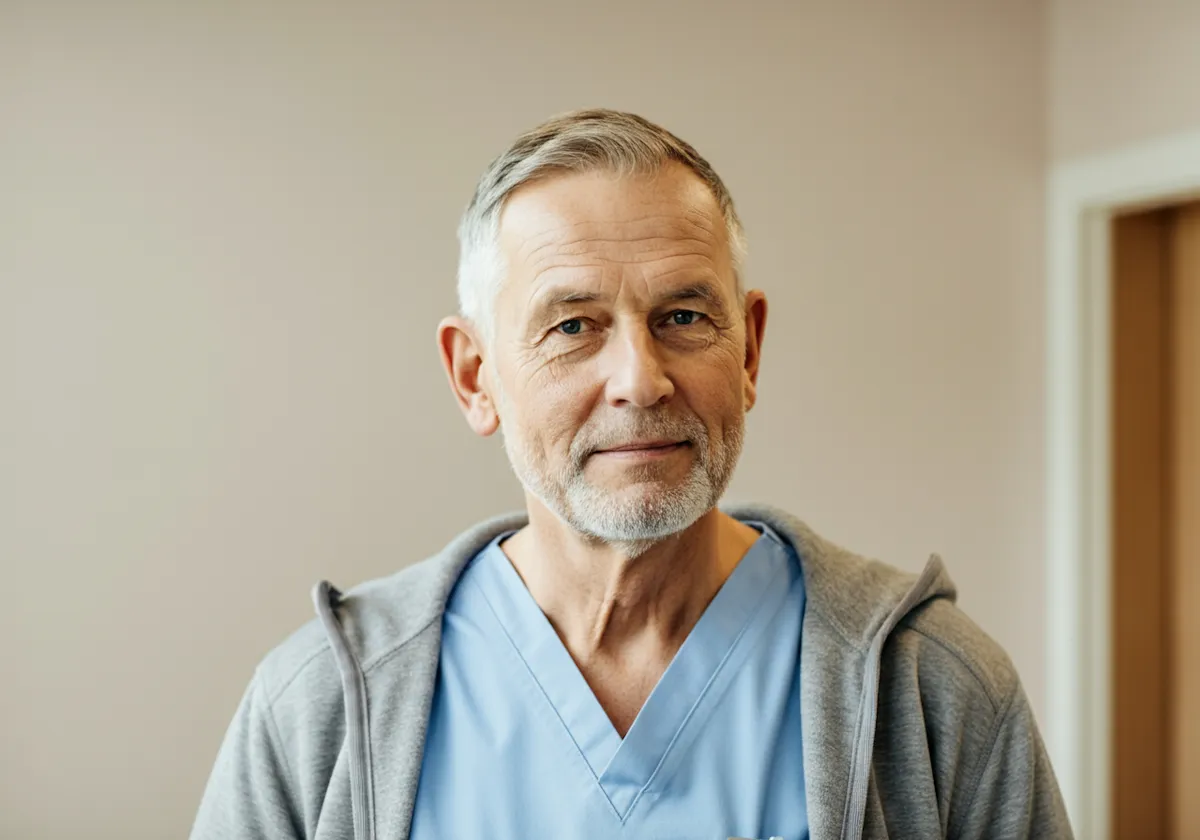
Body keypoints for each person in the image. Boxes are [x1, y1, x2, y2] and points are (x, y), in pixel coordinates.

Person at [191, 109, 1071, 840]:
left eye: (683, 315)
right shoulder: (319, 711)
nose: (641, 381)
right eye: (573, 327)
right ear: (475, 376)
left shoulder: (937, 691)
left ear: (751, 348)